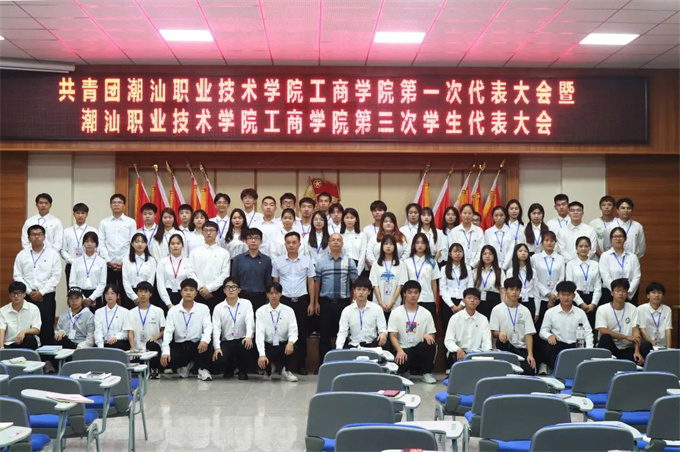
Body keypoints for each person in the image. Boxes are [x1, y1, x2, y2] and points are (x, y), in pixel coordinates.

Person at [272, 231, 315, 375]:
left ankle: (301, 365)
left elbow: (311, 282)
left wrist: (312, 303)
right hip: (283, 301)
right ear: (285, 244)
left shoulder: (306, 261)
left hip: (301, 301)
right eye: (288, 243)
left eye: (294, 242)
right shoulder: (278, 262)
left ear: (299, 244)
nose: (291, 245)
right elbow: (276, 283)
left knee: (301, 334)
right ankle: (282, 365)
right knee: (282, 333)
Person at [13, 224, 61, 348]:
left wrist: (42, 292)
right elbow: (17, 275)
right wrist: (29, 292)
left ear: (44, 236)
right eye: (33, 235)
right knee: (28, 326)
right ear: (28, 237)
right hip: (27, 296)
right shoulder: (22, 255)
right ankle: (30, 354)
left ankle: (47, 358)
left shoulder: (53, 254)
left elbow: (56, 276)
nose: (36, 237)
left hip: (47, 296)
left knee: (47, 327)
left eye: (39, 234)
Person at [314, 233, 359, 364]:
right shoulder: (321, 262)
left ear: (342, 244)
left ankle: (342, 364)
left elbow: (355, 284)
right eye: (333, 240)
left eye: (338, 240)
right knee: (324, 335)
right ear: (328, 243)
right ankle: (324, 364)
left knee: (343, 334)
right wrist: (316, 302)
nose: (335, 242)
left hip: (343, 303)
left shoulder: (349, 261)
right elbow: (317, 284)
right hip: (325, 303)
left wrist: (353, 301)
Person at [161, 278, 213, 381]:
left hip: (197, 345)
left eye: (191, 290)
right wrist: (165, 351)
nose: (188, 293)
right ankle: (184, 366)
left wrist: (205, 340)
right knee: (169, 360)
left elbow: (208, 326)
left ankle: (202, 369)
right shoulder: (173, 311)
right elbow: (168, 332)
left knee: (207, 341)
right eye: (185, 290)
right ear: (181, 292)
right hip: (180, 345)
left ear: (196, 293)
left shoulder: (203, 308)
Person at [388, 281, 437, 384]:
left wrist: (428, 335)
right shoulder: (396, 313)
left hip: (419, 348)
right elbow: (392, 336)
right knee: (401, 357)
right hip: (403, 349)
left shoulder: (426, 313)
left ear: (419, 294)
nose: (413, 295)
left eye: (416, 292)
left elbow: (432, 334)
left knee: (430, 343)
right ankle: (404, 371)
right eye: (410, 292)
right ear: (404, 294)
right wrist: (399, 350)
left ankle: (426, 373)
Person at [539, 281, 593, 374]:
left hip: (575, 345)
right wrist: (549, 335)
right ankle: (551, 368)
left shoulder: (580, 313)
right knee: (549, 344)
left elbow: (588, 333)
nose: (566, 298)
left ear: (574, 296)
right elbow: (542, 331)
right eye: (563, 295)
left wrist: (589, 350)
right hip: (558, 345)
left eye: (569, 294)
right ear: (558, 295)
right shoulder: (550, 312)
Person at [596, 278, 652, 364]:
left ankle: (642, 369)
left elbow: (636, 333)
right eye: (618, 291)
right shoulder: (602, 309)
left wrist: (637, 351)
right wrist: (626, 337)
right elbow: (603, 331)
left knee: (646, 345)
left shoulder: (633, 308)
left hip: (627, 348)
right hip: (610, 347)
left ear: (627, 294)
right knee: (605, 337)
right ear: (612, 293)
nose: (621, 293)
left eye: (624, 291)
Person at [490, 278, 537, 374]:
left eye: (517, 290)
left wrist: (530, 354)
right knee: (502, 342)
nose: (514, 292)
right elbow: (493, 332)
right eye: (511, 289)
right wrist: (500, 334)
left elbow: (528, 334)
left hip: (520, 347)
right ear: (506, 290)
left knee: (529, 370)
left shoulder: (525, 310)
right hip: (504, 347)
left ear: (520, 291)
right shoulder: (497, 309)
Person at [212, 277, 254, 380]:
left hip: (242, 339)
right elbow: (216, 329)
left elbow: (250, 322)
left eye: (234, 287)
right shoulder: (218, 308)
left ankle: (242, 370)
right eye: (228, 287)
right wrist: (217, 347)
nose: (231, 290)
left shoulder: (246, 304)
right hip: (227, 341)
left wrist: (249, 337)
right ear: (224, 290)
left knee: (246, 346)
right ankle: (230, 367)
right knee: (219, 360)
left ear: (239, 290)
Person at [256, 282, 299, 382]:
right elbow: (259, 334)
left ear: (281, 294)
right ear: (267, 294)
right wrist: (262, 354)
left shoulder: (289, 311)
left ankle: (286, 370)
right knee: (257, 351)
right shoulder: (260, 311)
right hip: (268, 345)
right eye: (271, 293)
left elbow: (293, 330)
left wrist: (290, 342)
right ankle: (268, 370)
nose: (274, 296)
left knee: (295, 347)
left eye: (277, 293)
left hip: (283, 345)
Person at [124, 281, 165, 378]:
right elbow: (130, 332)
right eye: (140, 291)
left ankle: (154, 369)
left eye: (146, 292)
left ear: (150, 294)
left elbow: (163, 330)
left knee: (151, 345)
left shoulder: (158, 311)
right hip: (138, 349)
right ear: (137, 293)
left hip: (153, 347)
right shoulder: (130, 313)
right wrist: (133, 348)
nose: (143, 294)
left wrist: (155, 338)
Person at [444, 287, 492, 368]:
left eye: (475, 298)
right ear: (463, 300)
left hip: (477, 355)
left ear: (479, 302)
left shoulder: (483, 319)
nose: (472, 300)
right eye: (469, 298)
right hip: (459, 354)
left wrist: (484, 354)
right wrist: (458, 349)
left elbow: (487, 342)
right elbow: (448, 341)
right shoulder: (455, 318)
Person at [190, 220, 230, 314]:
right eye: (206, 230)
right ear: (202, 232)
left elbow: (225, 275)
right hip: (198, 293)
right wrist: (201, 288)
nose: (208, 233)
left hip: (217, 293)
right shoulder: (195, 252)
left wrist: (209, 288)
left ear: (217, 233)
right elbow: (190, 272)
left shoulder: (224, 253)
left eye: (211, 230)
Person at [335, 277, 387, 349]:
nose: (361, 292)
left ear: (369, 292)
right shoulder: (347, 310)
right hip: (354, 345)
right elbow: (342, 332)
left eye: (364, 290)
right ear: (354, 291)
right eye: (358, 289)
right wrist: (338, 348)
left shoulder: (377, 309)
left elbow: (382, 328)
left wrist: (383, 334)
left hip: (372, 345)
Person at [61, 203, 104, 285]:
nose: (80, 215)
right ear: (73, 214)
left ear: (87, 214)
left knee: (91, 287)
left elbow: (98, 248)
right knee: (72, 290)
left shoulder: (93, 230)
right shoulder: (67, 231)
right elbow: (63, 250)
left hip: (90, 265)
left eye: (83, 213)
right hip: (71, 265)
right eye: (77, 213)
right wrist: (72, 261)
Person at [230, 228, 272, 313]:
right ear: (245, 241)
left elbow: (268, 281)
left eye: (256, 238)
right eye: (250, 238)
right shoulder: (238, 259)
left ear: (261, 241)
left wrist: (268, 298)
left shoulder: (266, 260)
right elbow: (234, 279)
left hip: (260, 297)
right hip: (242, 297)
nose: (253, 241)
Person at [99, 194, 137, 287]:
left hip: (126, 264)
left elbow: (132, 243)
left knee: (125, 291)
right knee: (108, 291)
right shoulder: (104, 223)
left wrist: (124, 261)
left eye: (119, 202)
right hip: (108, 264)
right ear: (110, 205)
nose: (116, 205)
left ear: (124, 206)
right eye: (114, 202)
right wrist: (108, 261)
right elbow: (101, 243)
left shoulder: (131, 222)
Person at [566, 236, 601, 330]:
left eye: (586, 246)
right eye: (580, 246)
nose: (583, 249)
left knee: (590, 328)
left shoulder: (595, 264)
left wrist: (594, 303)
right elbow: (570, 287)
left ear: (590, 248)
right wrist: (581, 303)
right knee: (576, 327)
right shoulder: (570, 264)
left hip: (591, 299)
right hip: (576, 298)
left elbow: (598, 286)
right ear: (576, 248)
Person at [530, 231, 565, 327]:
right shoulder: (535, 258)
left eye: (552, 241)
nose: (549, 243)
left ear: (555, 242)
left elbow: (561, 278)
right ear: (542, 242)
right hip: (540, 297)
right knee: (539, 325)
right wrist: (548, 294)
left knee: (555, 325)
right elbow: (535, 279)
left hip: (556, 297)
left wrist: (553, 296)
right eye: (546, 240)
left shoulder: (560, 258)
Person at [404, 233, 442, 320]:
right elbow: (405, 284)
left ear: (426, 245)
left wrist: (435, 302)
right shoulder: (407, 262)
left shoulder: (432, 262)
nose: (420, 245)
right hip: (411, 299)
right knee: (412, 325)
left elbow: (434, 283)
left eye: (422, 243)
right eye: (417, 243)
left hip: (427, 299)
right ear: (413, 245)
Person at [600, 227, 641, 305]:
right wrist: (616, 291)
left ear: (625, 239)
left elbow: (637, 277)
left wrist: (627, 292)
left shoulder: (633, 257)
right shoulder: (605, 256)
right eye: (615, 236)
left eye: (620, 236)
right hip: (609, 293)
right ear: (611, 239)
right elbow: (605, 277)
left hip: (629, 294)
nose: (618, 239)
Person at [156, 234, 197, 312]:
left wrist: (182, 302)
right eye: (173, 244)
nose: (175, 246)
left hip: (183, 296)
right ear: (169, 246)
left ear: (182, 245)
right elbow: (160, 284)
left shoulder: (188, 262)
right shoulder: (163, 262)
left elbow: (191, 281)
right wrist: (168, 304)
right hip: (166, 296)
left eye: (178, 243)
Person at [369, 235, 408, 319]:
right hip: (378, 304)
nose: (388, 246)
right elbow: (375, 285)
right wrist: (380, 303)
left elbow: (400, 285)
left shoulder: (401, 264)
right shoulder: (376, 264)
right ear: (382, 246)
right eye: (386, 244)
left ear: (395, 247)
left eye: (391, 244)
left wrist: (392, 303)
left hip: (395, 304)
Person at [69, 231, 108, 312]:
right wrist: (83, 298)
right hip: (79, 295)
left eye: (92, 242)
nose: (89, 244)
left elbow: (102, 283)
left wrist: (91, 298)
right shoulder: (76, 261)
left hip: (96, 295)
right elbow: (72, 283)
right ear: (83, 243)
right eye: (87, 241)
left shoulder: (101, 262)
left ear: (96, 244)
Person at [440, 243, 474, 331]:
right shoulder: (444, 269)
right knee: (448, 328)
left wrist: (462, 305)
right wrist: (452, 306)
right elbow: (443, 289)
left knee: (463, 329)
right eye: (455, 251)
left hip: (464, 302)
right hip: (448, 302)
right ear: (450, 253)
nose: (457, 254)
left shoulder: (468, 268)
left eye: (460, 251)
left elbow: (470, 288)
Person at [0, 281, 41, 350]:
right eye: (13, 293)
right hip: (10, 343)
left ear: (24, 294)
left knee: (29, 338)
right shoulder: (3, 311)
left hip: (26, 341)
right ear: (9, 295)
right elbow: (1, 329)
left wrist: (23, 332)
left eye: (19, 293)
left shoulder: (33, 308)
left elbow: (36, 329)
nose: (16, 296)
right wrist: (1, 347)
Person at [122, 233, 157, 310]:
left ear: (146, 244)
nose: (140, 244)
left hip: (146, 293)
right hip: (130, 294)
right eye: (137, 241)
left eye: (143, 242)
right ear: (132, 244)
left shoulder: (151, 260)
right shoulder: (126, 260)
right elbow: (125, 280)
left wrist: (144, 294)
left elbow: (151, 280)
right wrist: (134, 297)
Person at [506, 243, 538, 320]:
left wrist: (537, 311)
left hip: (530, 301)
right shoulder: (510, 272)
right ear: (515, 253)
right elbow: (507, 291)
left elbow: (536, 291)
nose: (523, 253)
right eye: (520, 251)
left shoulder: (533, 271)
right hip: (516, 300)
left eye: (525, 251)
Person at [637, 282, 672, 349]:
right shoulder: (641, 309)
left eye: (659, 293)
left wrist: (669, 349)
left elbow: (668, 330)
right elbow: (643, 330)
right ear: (648, 295)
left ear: (663, 296)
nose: (656, 295)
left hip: (663, 345)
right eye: (653, 292)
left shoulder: (667, 309)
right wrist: (654, 346)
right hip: (648, 345)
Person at [94, 284, 129, 350]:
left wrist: (116, 337)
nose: (109, 296)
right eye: (107, 293)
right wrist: (101, 347)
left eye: (112, 293)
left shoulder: (125, 312)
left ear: (118, 296)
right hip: (103, 343)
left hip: (119, 342)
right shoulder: (98, 312)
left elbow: (125, 332)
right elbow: (98, 331)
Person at [474, 245, 505, 319]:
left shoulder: (499, 271)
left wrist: (503, 306)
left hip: (494, 300)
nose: (487, 256)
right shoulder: (475, 271)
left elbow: (502, 290)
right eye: (485, 254)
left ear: (494, 256)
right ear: (481, 256)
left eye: (490, 254)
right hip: (479, 301)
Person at [451, 204, 484, 268]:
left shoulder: (479, 231)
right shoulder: (454, 231)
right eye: (465, 213)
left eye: (469, 213)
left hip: (476, 267)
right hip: (459, 266)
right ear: (460, 214)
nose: (467, 215)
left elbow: (481, 250)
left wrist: (472, 265)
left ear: (473, 215)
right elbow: (453, 250)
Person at [484, 206, 514, 270]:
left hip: (508, 266)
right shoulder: (488, 232)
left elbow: (511, 250)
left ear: (505, 216)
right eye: (496, 215)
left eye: (501, 215)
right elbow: (488, 250)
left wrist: (504, 267)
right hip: (492, 265)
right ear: (492, 217)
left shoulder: (511, 231)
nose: (499, 218)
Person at [340, 207, 367, 273]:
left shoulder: (362, 235)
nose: (349, 220)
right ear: (343, 220)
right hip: (342, 267)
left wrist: (358, 271)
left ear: (356, 219)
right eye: (347, 218)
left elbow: (363, 254)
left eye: (352, 218)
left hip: (358, 266)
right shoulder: (339, 235)